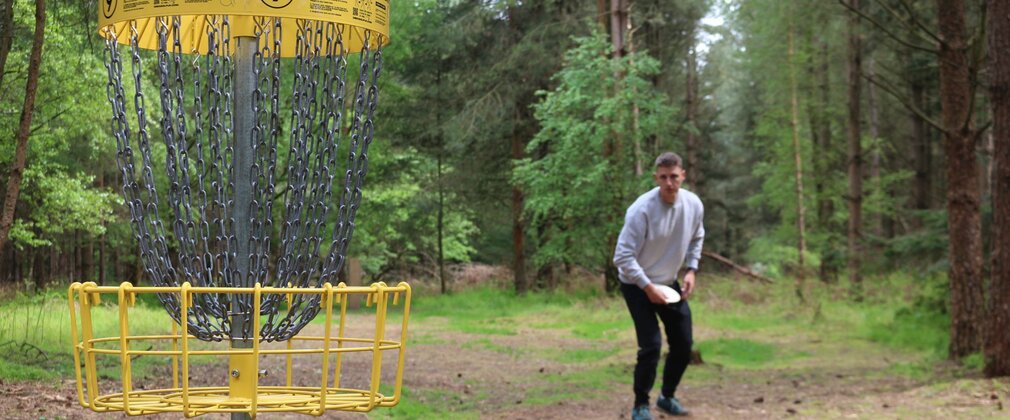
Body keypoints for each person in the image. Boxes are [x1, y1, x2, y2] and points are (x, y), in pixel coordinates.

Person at [613, 152, 704, 420]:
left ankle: (667, 397)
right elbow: (622, 256)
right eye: (663, 177)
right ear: (656, 178)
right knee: (651, 345)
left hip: (668, 282)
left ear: (683, 176)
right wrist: (646, 286)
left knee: (683, 342)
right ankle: (641, 405)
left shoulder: (693, 204)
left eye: (674, 177)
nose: (669, 183)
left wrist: (692, 270)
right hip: (636, 284)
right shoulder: (641, 209)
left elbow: (697, 237)